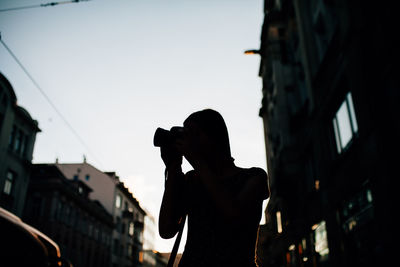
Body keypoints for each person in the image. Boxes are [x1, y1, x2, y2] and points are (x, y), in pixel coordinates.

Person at [158, 109, 269, 267]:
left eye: (194, 134)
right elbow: (166, 230)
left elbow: (233, 213)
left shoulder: (254, 177)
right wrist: (173, 169)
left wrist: (196, 159)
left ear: (214, 138)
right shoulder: (192, 180)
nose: (188, 141)